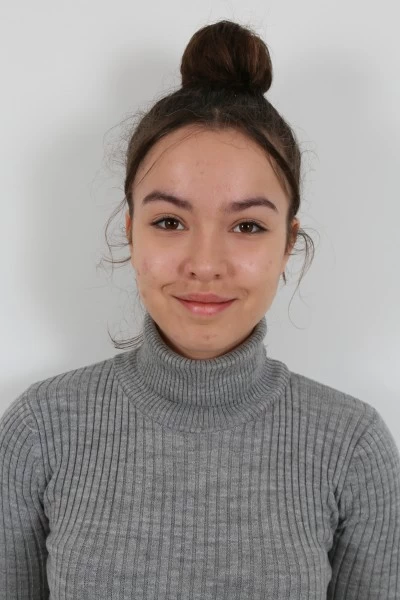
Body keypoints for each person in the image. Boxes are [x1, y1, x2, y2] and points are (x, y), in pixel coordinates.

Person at [1, 19, 399, 600]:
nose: (205, 264)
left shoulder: (352, 447)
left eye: (247, 226)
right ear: (130, 231)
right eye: (169, 221)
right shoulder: (39, 431)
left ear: (287, 243)